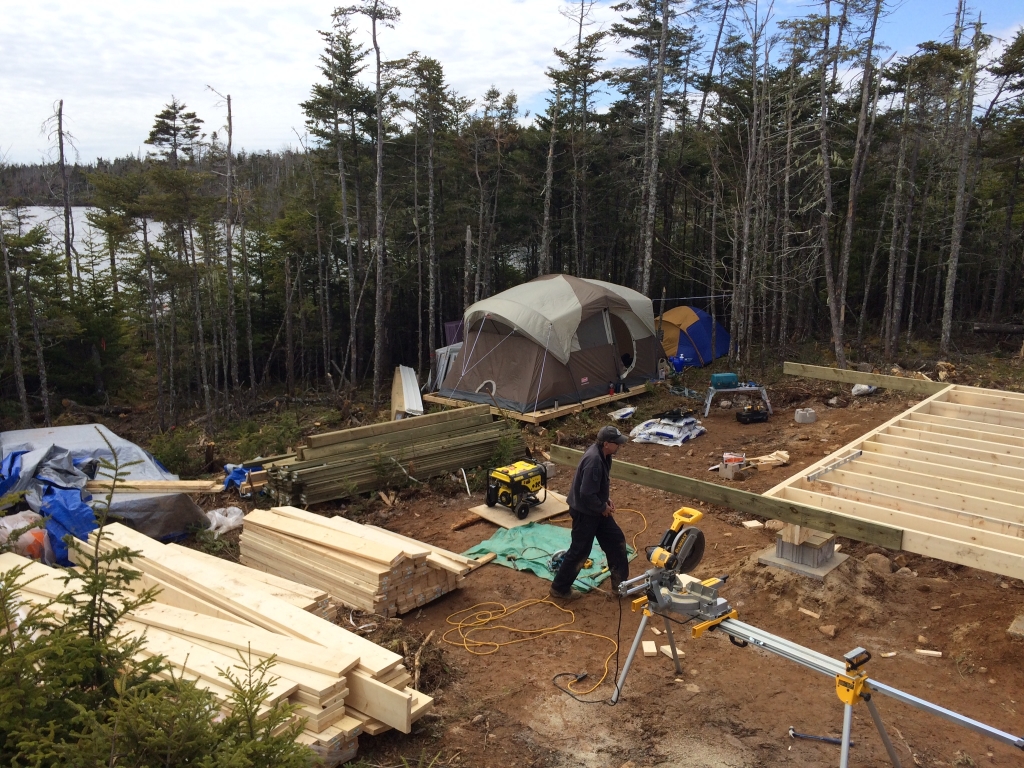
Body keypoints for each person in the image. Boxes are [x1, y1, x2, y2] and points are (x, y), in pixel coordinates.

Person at [549, 425, 631, 602]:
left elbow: (596, 487)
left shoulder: (604, 455)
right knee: (579, 551)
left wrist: (605, 500)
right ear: (607, 444)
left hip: (596, 510)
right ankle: (559, 589)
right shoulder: (594, 460)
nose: (620, 446)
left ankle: (620, 585)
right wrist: (602, 507)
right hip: (585, 513)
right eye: (617, 443)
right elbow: (586, 493)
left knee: (616, 541)